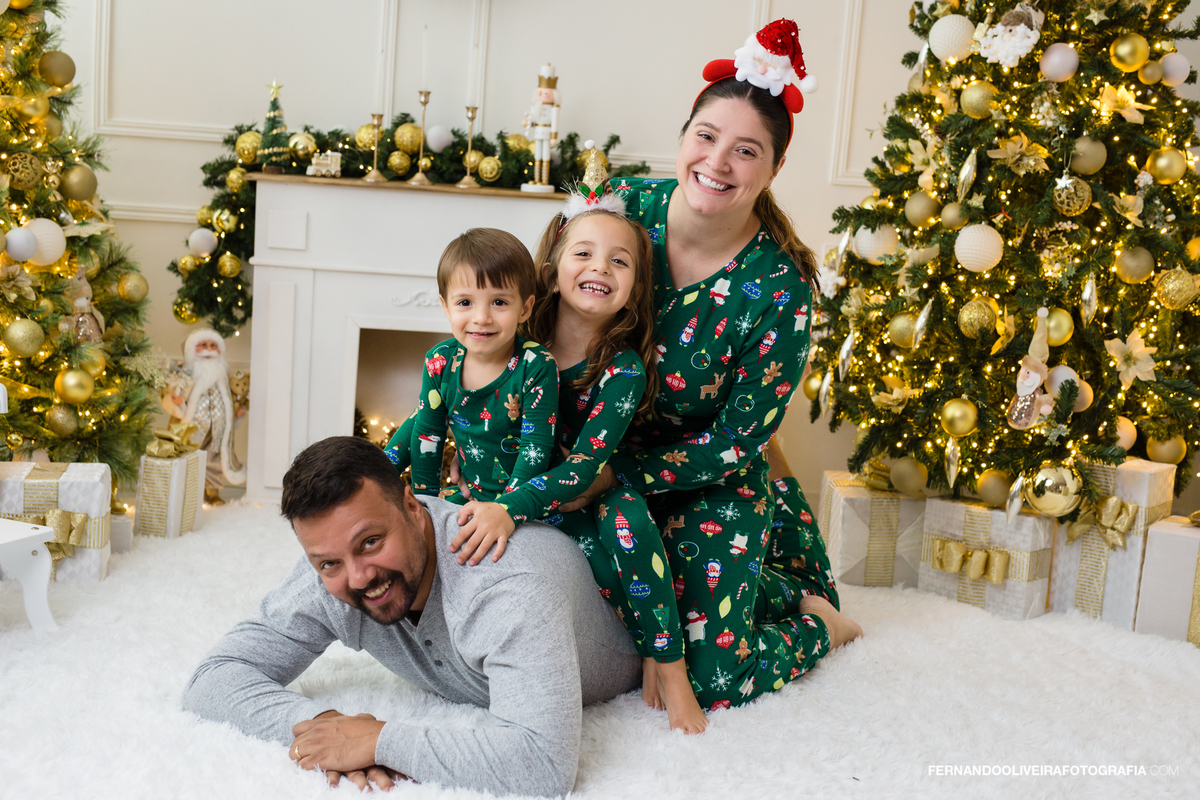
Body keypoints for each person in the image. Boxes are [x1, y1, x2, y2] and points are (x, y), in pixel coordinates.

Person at [560, 18, 862, 711]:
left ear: (775, 169)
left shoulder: (780, 289)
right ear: (683, 136)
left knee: (710, 679)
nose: (718, 163)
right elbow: (542, 319)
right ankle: (744, 589)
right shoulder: (621, 211)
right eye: (706, 137)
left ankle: (813, 616)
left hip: (707, 481)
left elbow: (738, 441)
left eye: (746, 151)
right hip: (592, 466)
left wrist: (616, 474)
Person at [181, 436, 641, 796]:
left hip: (633, 649)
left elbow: (543, 765)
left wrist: (378, 740)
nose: (359, 576)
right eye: (328, 563)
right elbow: (214, 678)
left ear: (412, 508)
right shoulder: (333, 575)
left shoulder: (505, 588)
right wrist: (328, 727)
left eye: (371, 542)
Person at [383, 228, 558, 561]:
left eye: (499, 302)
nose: (481, 318)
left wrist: (504, 508)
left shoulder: (536, 365)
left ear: (525, 308)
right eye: (465, 302)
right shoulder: (440, 361)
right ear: (446, 307)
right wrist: (427, 504)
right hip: (470, 494)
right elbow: (427, 434)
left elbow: (536, 449)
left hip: (525, 502)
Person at [162, 328, 247, 505]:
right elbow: (175, 396)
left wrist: (237, 413)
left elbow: (231, 399)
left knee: (214, 459)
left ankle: (213, 491)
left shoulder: (223, 377)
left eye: (213, 345)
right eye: (203, 345)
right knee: (191, 458)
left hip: (218, 428)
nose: (209, 349)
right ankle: (194, 492)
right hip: (193, 427)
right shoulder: (186, 375)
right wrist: (178, 402)